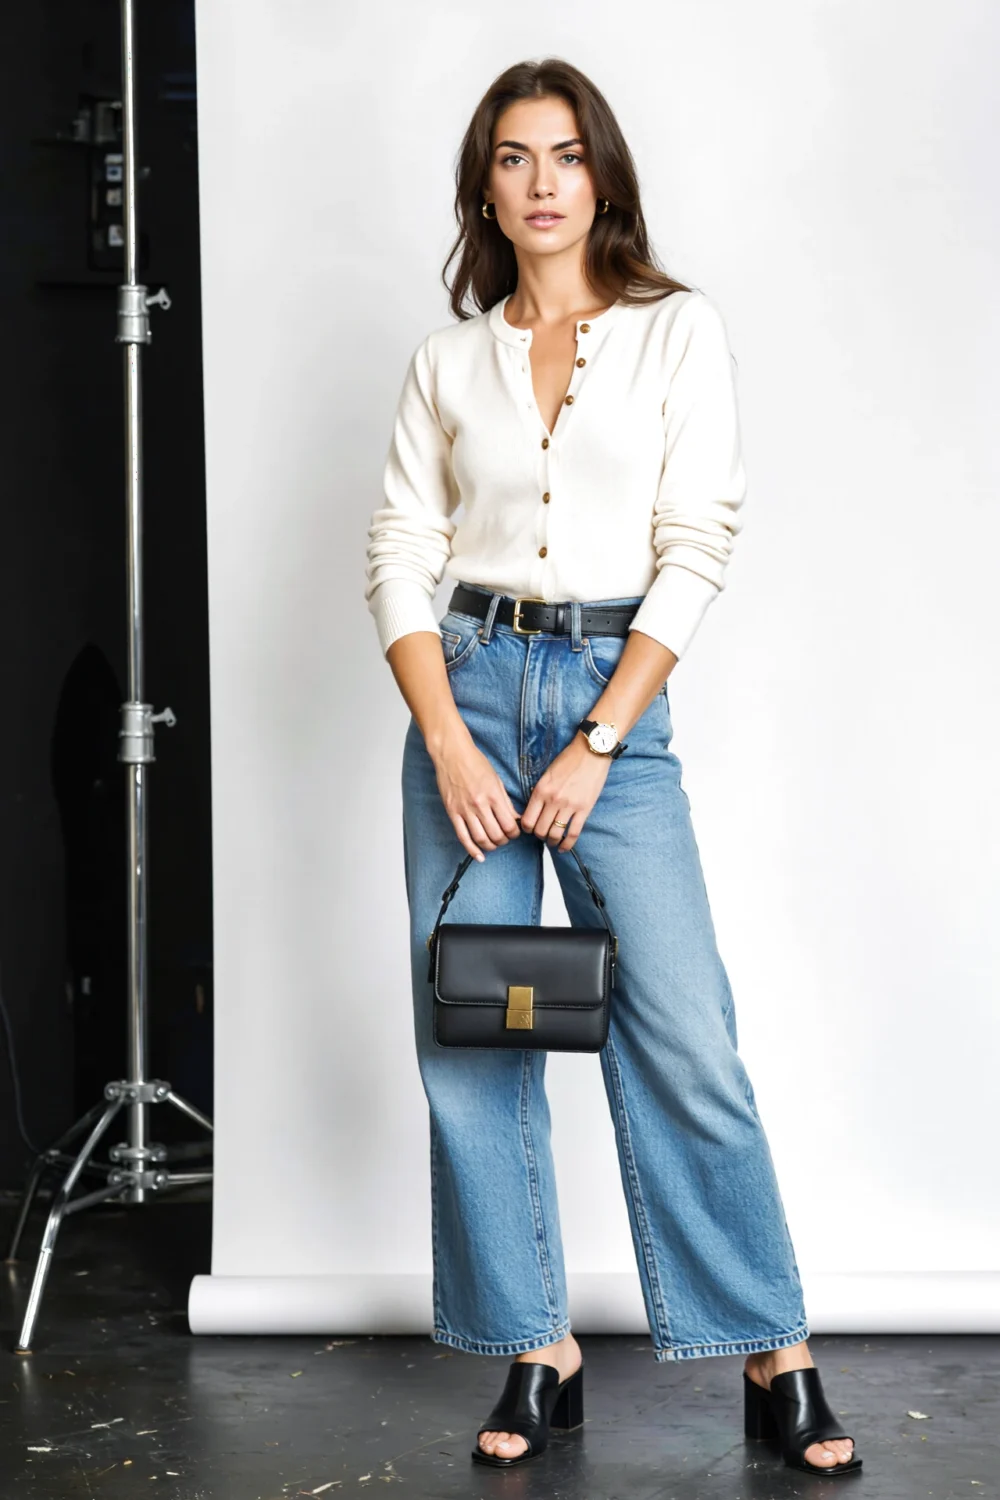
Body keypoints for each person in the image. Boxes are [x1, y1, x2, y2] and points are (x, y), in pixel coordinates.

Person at [363, 57, 862, 1479]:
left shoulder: (674, 334)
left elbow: (697, 544)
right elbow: (399, 551)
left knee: (684, 1031)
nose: (539, 184)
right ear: (486, 185)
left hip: (608, 700)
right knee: (478, 1030)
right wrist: (450, 737)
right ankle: (541, 1345)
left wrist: (598, 739)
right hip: (463, 692)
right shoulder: (446, 360)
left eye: (564, 157)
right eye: (512, 159)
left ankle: (776, 1352)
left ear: (604, 176)